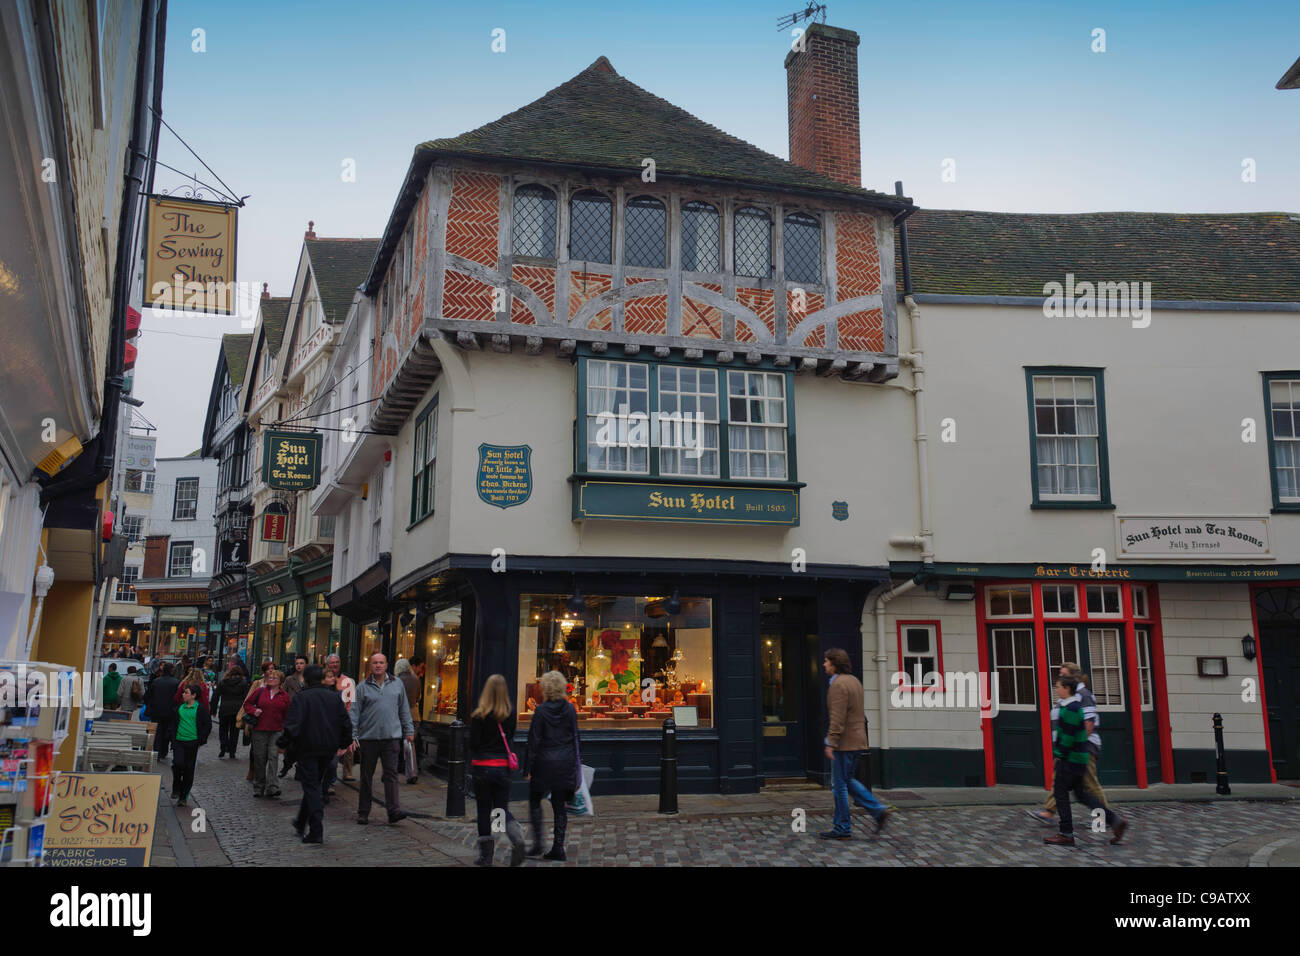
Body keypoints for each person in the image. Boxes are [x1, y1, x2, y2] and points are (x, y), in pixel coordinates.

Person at [1044, 675, 1129, 846]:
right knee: (1081, 794)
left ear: (1067, 688)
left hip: (1070, 759)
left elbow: (1067, 737)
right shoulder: (1074, 707)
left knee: (1061, 794)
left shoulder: (1070, 709)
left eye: (1059, 686)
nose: (1057, 689)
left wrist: (1058, 755)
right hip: (1079, 759)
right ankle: (1114, 820)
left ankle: (1066, 833)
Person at [818, 648, 891, 840]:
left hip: (844, 743)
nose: (824, 664)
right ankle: (878, 811)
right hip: (858, 741)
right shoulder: (854, 681)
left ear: (834, 664)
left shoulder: (838, 685)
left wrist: (830, 742)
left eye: (827, 661)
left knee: (838, 786)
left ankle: (842, 828)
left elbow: (837, 717)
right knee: (848, 781)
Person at [1027, 662, 1108, 825]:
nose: (1060, 678)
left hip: (1082, 748)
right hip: (1069, 748)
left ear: (1073, 677)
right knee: (1059, 780)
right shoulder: (1068, 695)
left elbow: (1089, 723)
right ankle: (1049, 811)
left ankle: (1104, 817)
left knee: (1090, 784)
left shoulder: (1082, 694)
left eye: (1064, 674)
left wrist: (1077, 746)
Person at [281, 665, 353, 845]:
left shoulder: (302, 698)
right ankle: (300, 822)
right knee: (313, 785)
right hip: (328, 748)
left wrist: (283, 743)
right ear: (321, 679)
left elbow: (292, 725)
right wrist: (344, 742)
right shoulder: (333, 698)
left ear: (305, 679)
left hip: (307, 748)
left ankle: (316, 830)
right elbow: (345, 723)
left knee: (312, 787)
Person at [350, 653, 414, 825]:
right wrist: (352, 736)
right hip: (369, 739)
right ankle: (363, 812)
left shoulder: (397, 684)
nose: (378, 665)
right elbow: (354, 714)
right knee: (366, 776)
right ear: (370, 666)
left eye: (381, 663)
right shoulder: (362, 687)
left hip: (391, 738)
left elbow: (404, 709)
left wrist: (409, 730)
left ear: (386, 665)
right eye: (375, 663)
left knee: (391, 775)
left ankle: (393, 811)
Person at [523, 670, 580, 861]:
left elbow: (533, 741)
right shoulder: (570, 709)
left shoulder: (540, 711)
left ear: (545, 689)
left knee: (534, 800)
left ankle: (538, 843)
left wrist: (527, 768)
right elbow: (575, 739)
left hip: (543, 763)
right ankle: (558, 847)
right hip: (565, 763)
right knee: (559, 805)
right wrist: (576, 768)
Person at [469, 673, 525, 867]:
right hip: (502, 768)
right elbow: (510, 738)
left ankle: (486, 857)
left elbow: (473, 744)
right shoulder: (510, 715)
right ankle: (516, 838)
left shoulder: (478, 715)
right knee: (500, 808)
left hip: (483, 768)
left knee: (484, 810)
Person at [243, 669, 291, 798]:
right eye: (269, 677)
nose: (271, 680)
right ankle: (259, 786)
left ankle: (272, 787)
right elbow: (247, 704)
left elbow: (287, 714)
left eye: (274, 678)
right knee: (260, 758)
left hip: (276, 730)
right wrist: (254, 711)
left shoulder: (284, 695)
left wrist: (285, 729)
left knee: (273, 757)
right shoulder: (259, 691)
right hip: (259, 730)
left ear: (280, 681)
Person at [170, 684, 212, 807]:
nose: (183, 694)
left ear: (193, 695)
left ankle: (183, 796)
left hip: (192, 742)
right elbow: (173, 724)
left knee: (188, 769)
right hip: (179, 741)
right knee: (177, 764)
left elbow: (207, 724)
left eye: (186, 693)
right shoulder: (179, 708)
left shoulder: (200, 709)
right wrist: (172, 737)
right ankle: (176, 786)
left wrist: (200, 739)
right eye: (183, 692)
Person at [325, 655, 356, 781]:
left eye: (337, 662)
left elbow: (351, 702)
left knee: (349, 746)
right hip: (327, 721)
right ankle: (330, 780)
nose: (335, 665)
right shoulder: (323, 679)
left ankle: (347, 772)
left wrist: (349, 719)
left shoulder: (348, 681)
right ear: (327, 664)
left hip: (343, 718)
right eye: (332, 663)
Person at [144, 663, 180, 761]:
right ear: (172, 671)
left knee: (158, 732)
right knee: (167, 732)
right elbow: (178, 698)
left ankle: (157, 752)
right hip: (170, 712)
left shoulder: (156, 681)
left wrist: (150, 706)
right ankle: (164, 751)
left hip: (157, 711)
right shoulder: (176, 682)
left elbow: (148, 696)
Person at [213, 663, 249, 758]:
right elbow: (247, 698)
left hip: (224, 708)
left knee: (223, 729)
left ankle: (223, 746)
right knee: (234, 731)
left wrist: (213, 710)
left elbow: (216, 696)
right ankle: (232, 751)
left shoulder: (223, 682)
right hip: (237, 710)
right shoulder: (244, 683)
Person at [394, 658, 422, 784]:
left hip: (399, 715)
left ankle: (392, 771)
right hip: (414, 715)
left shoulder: (396, 681)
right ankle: (412, 772)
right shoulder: (416, 679)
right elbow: (418, 698)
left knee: (394, 743)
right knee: (410, 744)